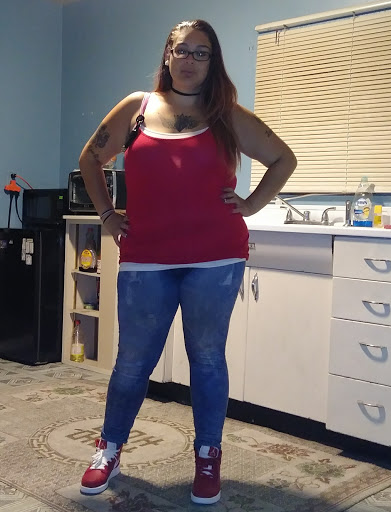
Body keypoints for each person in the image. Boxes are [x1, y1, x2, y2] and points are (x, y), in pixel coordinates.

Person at [78, 19, 297, 505]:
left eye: (202, 52)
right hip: (145, 258)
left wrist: (251, 204)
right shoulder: (136, 109)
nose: (191, 60)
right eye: (182, 50)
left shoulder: (227, 115)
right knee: (133, 361)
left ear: (212, 61)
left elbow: (284, 159)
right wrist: (108, 215)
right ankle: (109, 448)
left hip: (215, 258)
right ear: (167, 55)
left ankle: (207, 455)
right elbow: (90, 159)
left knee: (207, 358)